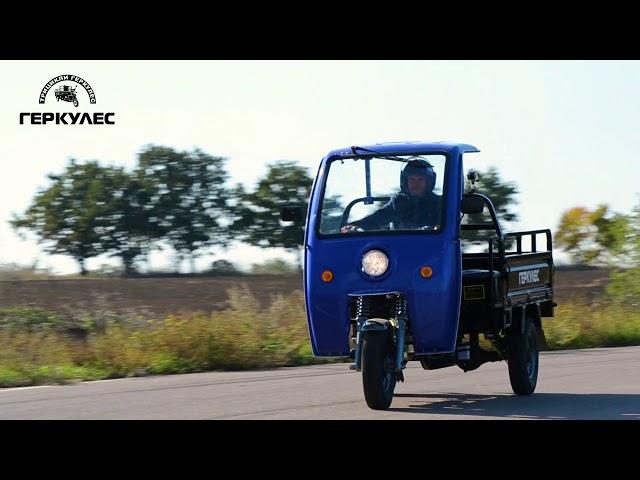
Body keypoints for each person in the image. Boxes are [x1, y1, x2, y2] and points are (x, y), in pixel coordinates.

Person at [340, 158, 442, 232]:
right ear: (405, 181)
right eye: (412, 179)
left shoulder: (439, 204)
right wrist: (354, 226)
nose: (416, 184)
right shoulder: (398, 202)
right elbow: (377, 218)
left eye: (420, 179)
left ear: (428, 182)